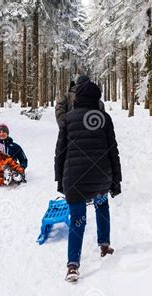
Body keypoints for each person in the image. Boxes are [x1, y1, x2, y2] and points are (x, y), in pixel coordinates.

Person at [54, 78, 122, 282]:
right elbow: (113, 151)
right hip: (101, 178)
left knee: (77, 219)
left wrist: (60, 180)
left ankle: (73, 266)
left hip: (75, 180)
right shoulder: (104, 118)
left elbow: (60, 152)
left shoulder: (68, 119)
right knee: (102, 207)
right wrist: (116, 181)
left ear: (78, 97)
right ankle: (104, 245)